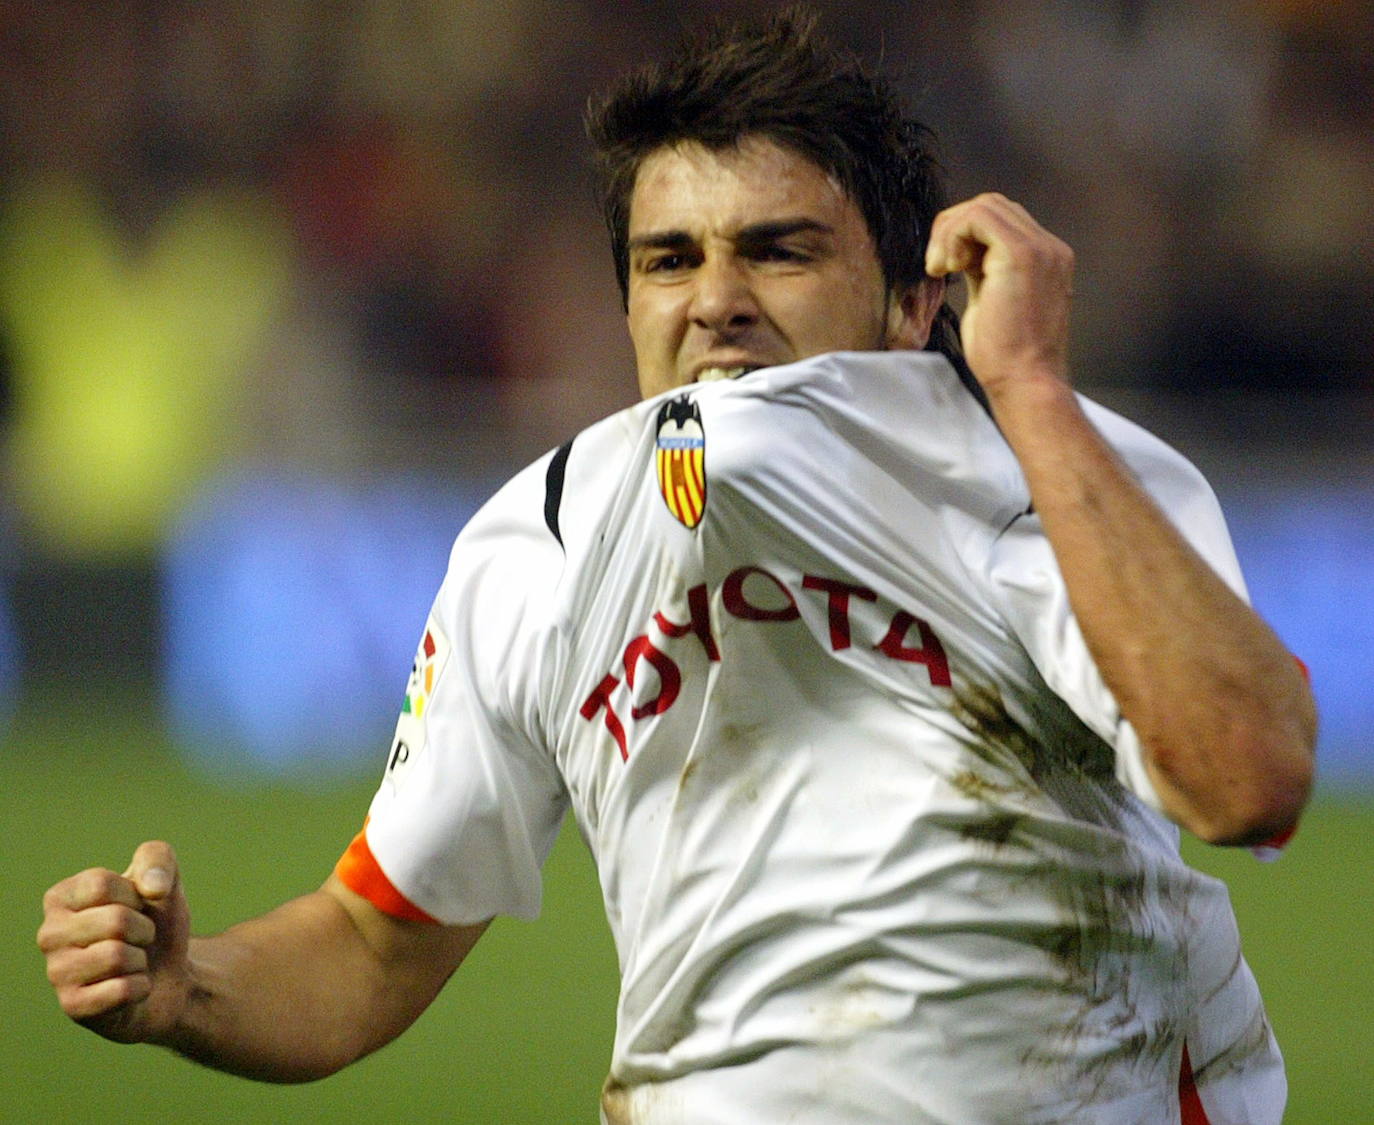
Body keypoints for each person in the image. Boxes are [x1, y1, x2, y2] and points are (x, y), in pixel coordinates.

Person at [39, 10, 1314, 1123]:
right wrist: (184, 991)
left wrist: (1028, 383)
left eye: (780, 249)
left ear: (913, 304)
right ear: (626, 306)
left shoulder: (1053, 475)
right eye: (669, 260)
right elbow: (375, 939)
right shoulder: (539, 541)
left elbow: (1249, 779)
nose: (717, 300)